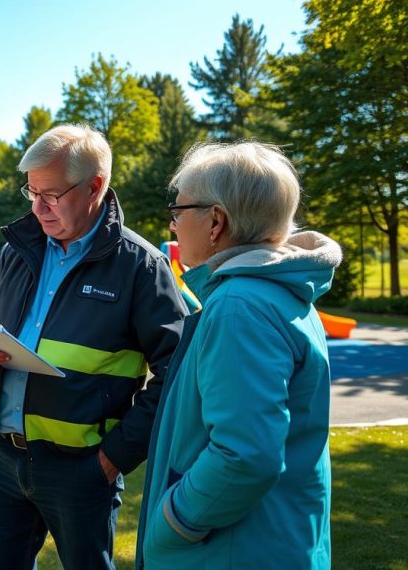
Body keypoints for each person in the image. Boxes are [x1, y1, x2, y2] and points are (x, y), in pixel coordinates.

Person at [0, 124, 187, 570]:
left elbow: (176, 374)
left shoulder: (141, 267)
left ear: (95, 186)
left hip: (81, 472)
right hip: (2, 460)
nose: (38, 207)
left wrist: (112, 458)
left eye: (52, 195)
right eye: (31, 192)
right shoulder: (15, 252)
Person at [136, 142, 338, 570]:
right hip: (277, 539)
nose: (172, 225)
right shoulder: (282, 293)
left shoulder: (239, 305)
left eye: (178, 211)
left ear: (215, 221)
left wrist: (174, 522)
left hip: (234, 550)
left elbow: (245, 455)